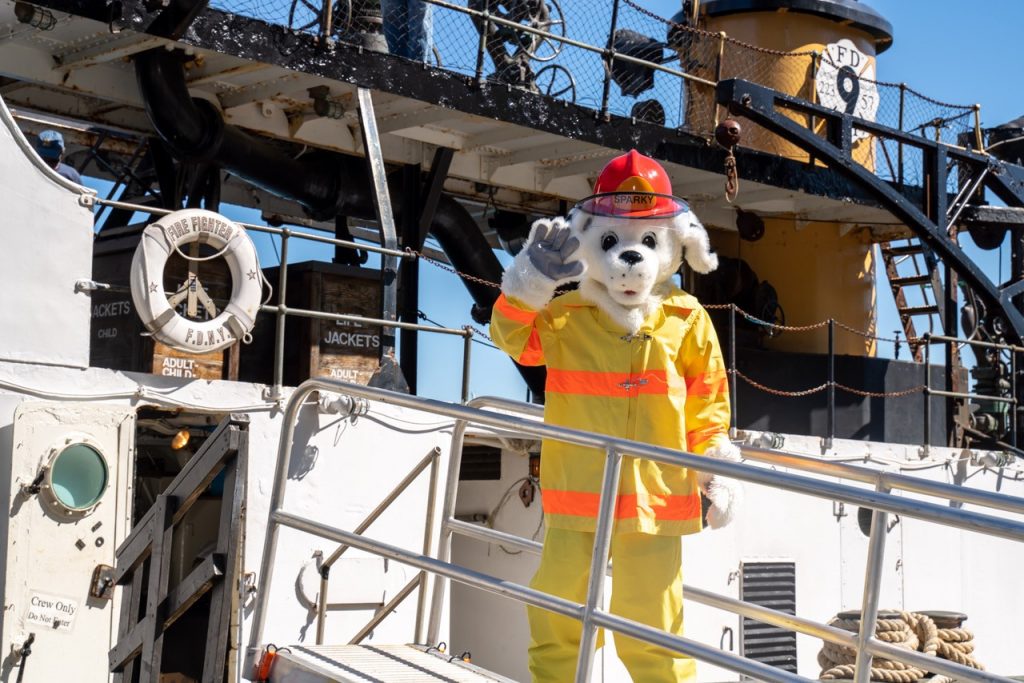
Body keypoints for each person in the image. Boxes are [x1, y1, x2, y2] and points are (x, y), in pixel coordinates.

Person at [491, 150, 742, 682]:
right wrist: (530, 281)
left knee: (653, 625)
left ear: (672, 245)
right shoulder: (564, 314)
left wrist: (714, 470)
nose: (630, 258)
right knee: (558, 614)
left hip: (658, 498)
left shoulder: (686, 319)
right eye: (612, 241)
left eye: (647, 242)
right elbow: (510, 337)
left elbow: (708, 405)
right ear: (590, 240)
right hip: (578, 498)